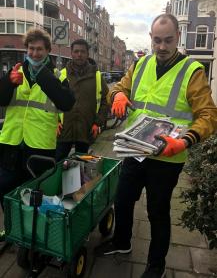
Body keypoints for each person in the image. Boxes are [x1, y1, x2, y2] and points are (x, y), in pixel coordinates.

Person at [95, 14, 217, 278]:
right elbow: (119, 87)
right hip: (135, 149)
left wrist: (186, 141)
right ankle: (122, 242)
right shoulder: (140, 65)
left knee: (157, 212)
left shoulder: (192, 72)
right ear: (151, 38)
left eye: (168, 40)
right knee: (123, 199)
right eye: (157, 40)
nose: (162, 47)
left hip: (168, 156)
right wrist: (116, 95)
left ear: (178, 39)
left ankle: (156, 265)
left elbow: (208, 115)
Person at [0, 28, 75, 242]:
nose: (34, 53)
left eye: (39, 49)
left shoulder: (57, 75)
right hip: (11, 143)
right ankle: (12, 228)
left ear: (48, 50)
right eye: (31, 49)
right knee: (5, 189)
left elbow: (67, 103)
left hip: (39, 147)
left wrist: (42, 76)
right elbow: (2, 100)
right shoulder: (16, 72)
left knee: (34, 195)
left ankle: (33, 234)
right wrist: (8, 82)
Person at [55, 39, 109, 160]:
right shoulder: (61, 74)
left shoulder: (96, 76)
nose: (79, 54)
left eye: (83, 52)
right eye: (76, 51)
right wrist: (55, 121)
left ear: (87, 54)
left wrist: (97, 123)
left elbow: (106, 101)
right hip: (64, 130)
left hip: (86, 130)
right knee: (57, 163)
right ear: (71, 53)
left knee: (81, 165)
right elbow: (52, 100)